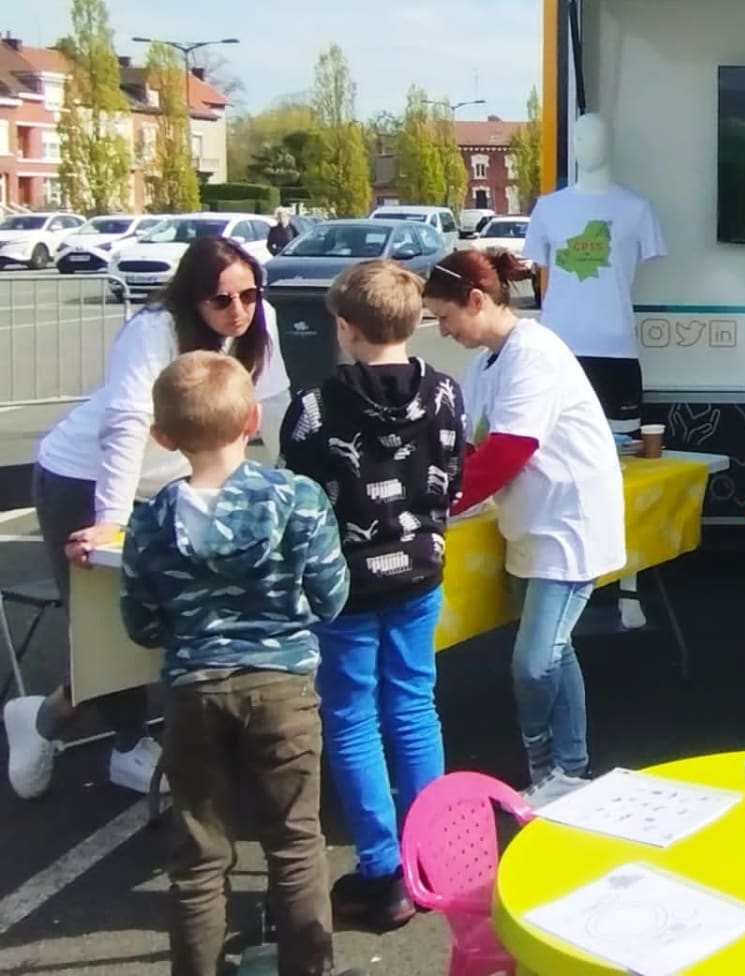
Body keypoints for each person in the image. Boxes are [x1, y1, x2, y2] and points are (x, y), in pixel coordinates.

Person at [5, 235, 291, 800]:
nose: (238, 310)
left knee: (175, 614)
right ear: (192, 298)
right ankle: (127, 743)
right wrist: (112, 521)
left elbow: (275, 406)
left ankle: (44, 716)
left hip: (170, 480)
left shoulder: (261, 322)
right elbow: (127, 426)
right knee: (109, 621)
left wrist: (289, 486)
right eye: (221, 300)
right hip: (84, 480)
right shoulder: (154, 330)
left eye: (249, 294)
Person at [119, 351, 351, 976]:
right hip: (282, 686)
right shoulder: (298, 500)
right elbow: (332, 598)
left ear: (163, 436)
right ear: (252, 420)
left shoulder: (151, 522)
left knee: (198, 859)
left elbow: (141, 623)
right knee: (295, 843)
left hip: (194, 689)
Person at [281, 261, 466, 934]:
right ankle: (434, 855)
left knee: (353, 717)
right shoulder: (444, 392)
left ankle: (383, 870)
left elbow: (298, 496)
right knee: (414, 705)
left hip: (348, 580)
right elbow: (453, 475)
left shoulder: (315, 406)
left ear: (344, 327)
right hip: (419, 568)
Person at [422, 248, 625, 807]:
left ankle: (549, 767)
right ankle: (568, 770)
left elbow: (508, 449)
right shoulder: (488, 362)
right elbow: (468, 448)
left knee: (534, 663)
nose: (443, 331)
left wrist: (442, 503)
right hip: (531, 524)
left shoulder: (533, 354)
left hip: (567, 524)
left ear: (477, 300)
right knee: (556, 651)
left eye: (445, 317)